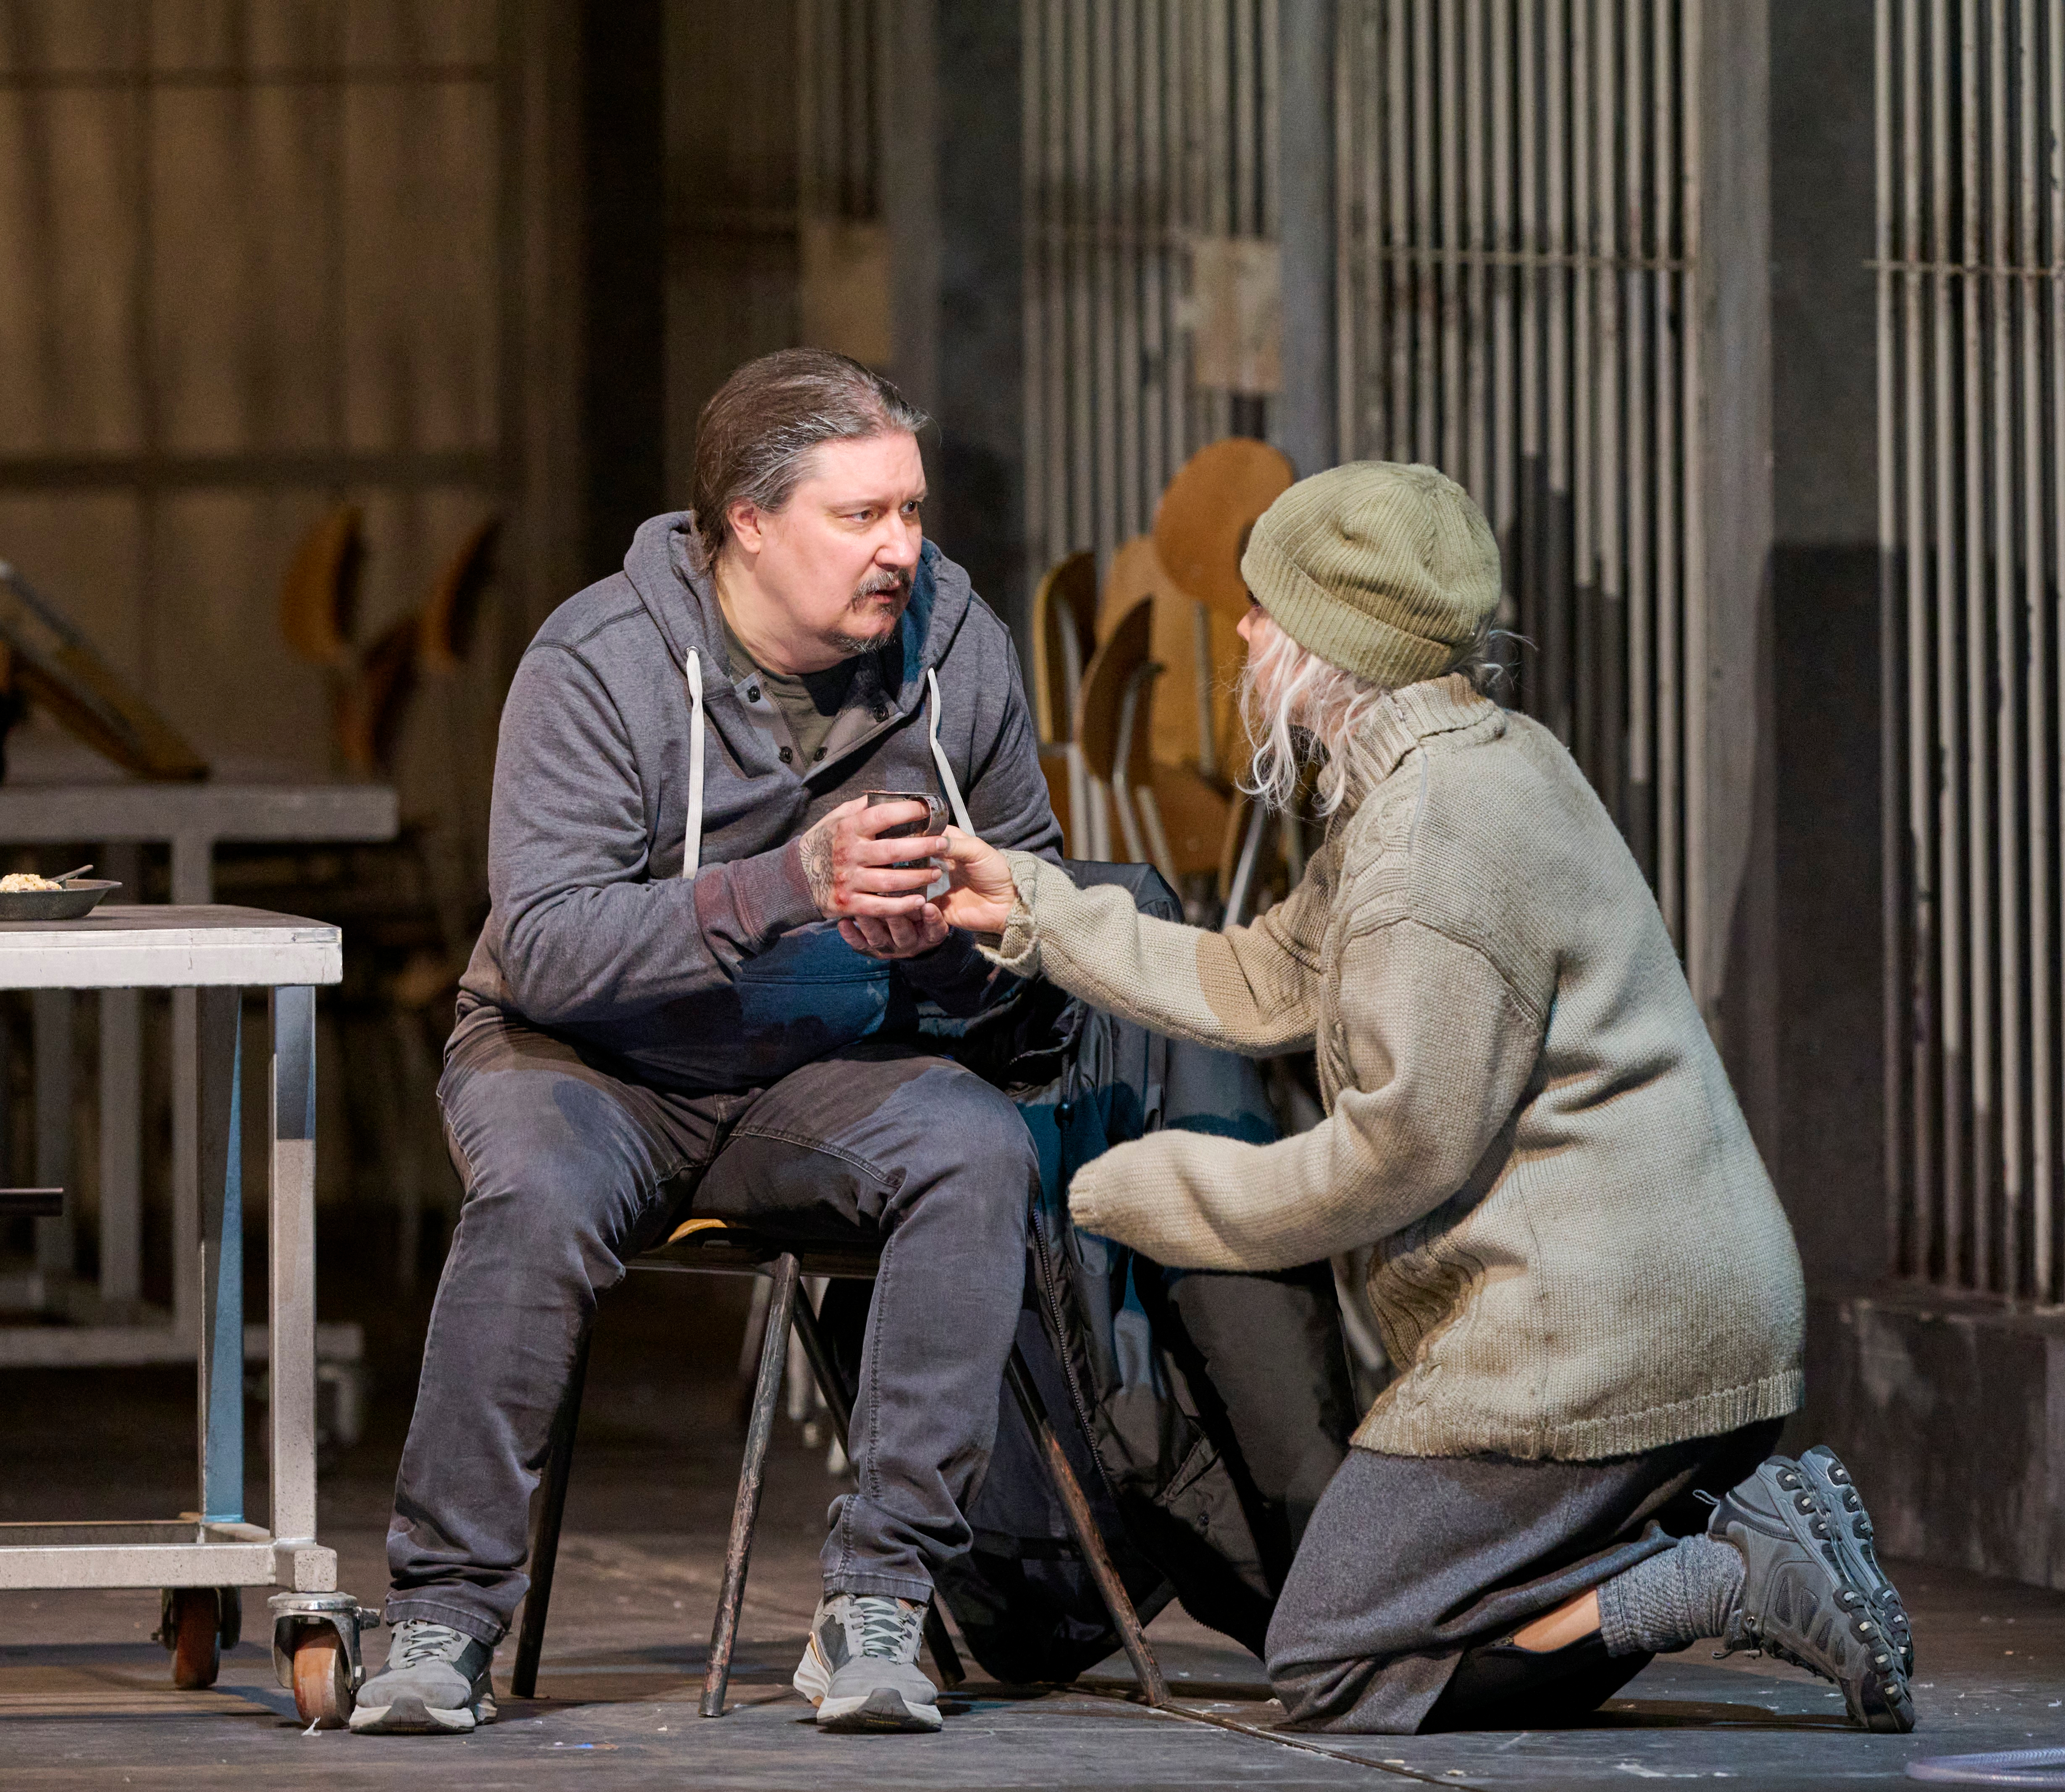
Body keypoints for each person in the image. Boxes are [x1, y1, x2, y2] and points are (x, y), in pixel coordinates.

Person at [928, 461, 1917, 1735]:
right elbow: (1263, 972)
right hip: (1687, 1323)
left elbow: (1393, 1153)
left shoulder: (1428, 844)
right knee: (1408, 1621)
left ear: (1340, 644)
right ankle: (1714, 1542)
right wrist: (1028, 908)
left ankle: (1723, 1569)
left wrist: (1140, 1193)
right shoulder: (1478, 763)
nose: (1239, 634)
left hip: (1588, 1351)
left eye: (1264, 611)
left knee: (1338, 1656)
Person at [352, 349, 1060, 1738]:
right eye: (861, 518)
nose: (902, 550)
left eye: (911, 511)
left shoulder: (959, 646)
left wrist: (970, 941)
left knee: (973, 1149)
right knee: (537, 1197)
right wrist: (787, 884)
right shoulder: (599, 661)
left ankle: (883, 1599)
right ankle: (444, 1609)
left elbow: (1032, 887)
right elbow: (546, 942)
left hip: (813, 1067)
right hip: (584, 1061)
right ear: (747, 520)